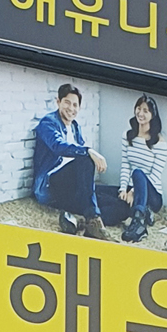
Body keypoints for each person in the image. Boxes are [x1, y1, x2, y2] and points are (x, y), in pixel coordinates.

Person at [32, 83, 108, 240]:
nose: (71, 108)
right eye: (67, 102)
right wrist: (89, 150)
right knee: (85, 159)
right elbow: (58, 146)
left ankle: (81, 222)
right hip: (50, 185)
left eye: (75, 105)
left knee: (115, 201)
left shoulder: (75, 127)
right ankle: (93, 219)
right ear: (58, 102)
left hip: (71, 186)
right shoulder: (48, 123)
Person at [105, 94, 167, 243]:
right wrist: (123, 190)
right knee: (100, 191)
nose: (141, 113)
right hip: (131, 187)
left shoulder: (159, 142)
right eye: (138, 109)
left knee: (137, 173)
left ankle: (139, 223)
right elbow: (125, 164)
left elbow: (155, 174)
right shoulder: (128, 136)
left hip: (153, 195)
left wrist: (133, 191)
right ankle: (143, 212)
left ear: (152, 115)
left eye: (146, 110)